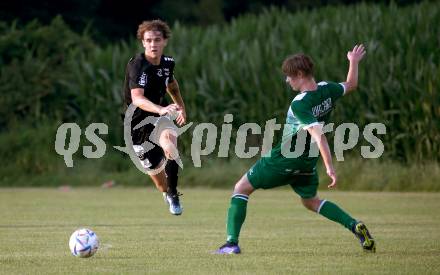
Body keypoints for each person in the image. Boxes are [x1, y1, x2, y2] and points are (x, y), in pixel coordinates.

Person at [215, 44, 376, 254]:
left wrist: (330, 167)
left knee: (241, 188)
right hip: (307, 161)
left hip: (284, 159)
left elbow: (319, 135)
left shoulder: (300, 103)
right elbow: (351, 84)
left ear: (300, 74)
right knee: (310, 201)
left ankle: (231, 244)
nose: (287, 80)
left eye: (289, 76)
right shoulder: (327, 89)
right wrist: (353, 62)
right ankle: (354, 226)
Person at [123, 20, 186, 215]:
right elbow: (138, 98)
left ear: (165, 41)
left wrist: (181, 107)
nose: (153, 44)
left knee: (170, 145)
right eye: (148, 40)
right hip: (138, 125)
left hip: (161, 117)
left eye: (157, 40)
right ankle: (167, 192)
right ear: (143, 42)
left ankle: (174, 194)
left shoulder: (168, 63)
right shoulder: (137, 65)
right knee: (160, 183)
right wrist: (160, 109)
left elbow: (172, 85)